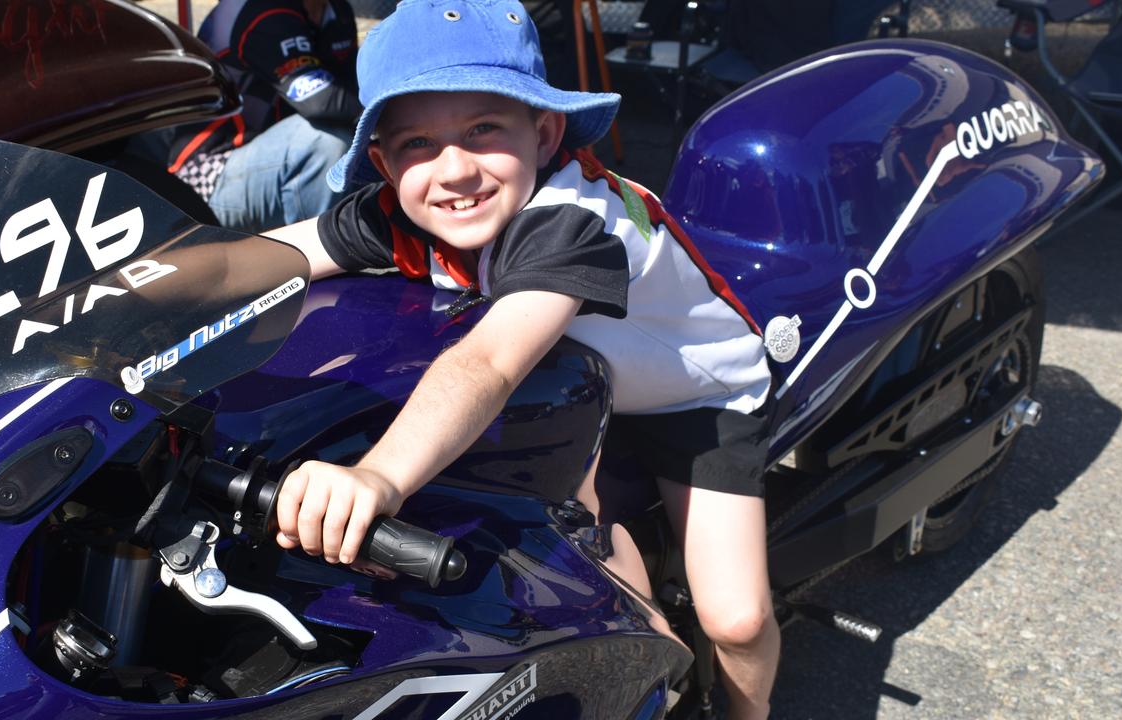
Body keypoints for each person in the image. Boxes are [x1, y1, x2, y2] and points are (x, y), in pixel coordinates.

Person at [263, 0, 779, 716]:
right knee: (590, 585)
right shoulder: (411, 207)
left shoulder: (569, 221)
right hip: (578, 378)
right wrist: (103, 292)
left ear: (543, 132)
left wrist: (378, 474)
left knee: (736, 617)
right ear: (382, 161)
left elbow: (491, 362)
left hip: (689, 395)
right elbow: (271, 257)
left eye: (483, 129)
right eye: (417, 142)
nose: (453, 170)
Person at [163, 0, 362, 233]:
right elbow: (320, 101)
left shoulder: (336, 10)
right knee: (326, 143)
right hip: (206, 178)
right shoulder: (261, 10)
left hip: (268, 160)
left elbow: (356, 90)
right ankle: (313, 256)